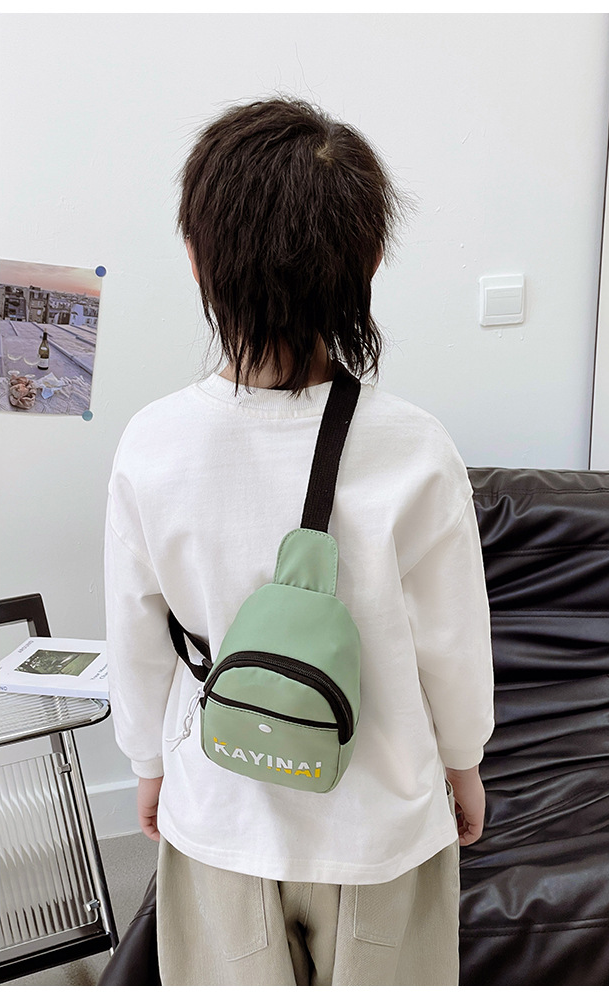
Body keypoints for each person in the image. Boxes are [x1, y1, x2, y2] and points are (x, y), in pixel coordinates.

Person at [104, 97, 494, 987]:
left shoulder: (152, 444)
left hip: (222, 808)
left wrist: (147, 764)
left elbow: (137, 633)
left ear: (197, 259)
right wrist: (464, 762)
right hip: (382, 822)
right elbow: (452, 641)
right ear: (370, 262)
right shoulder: (416, 447)